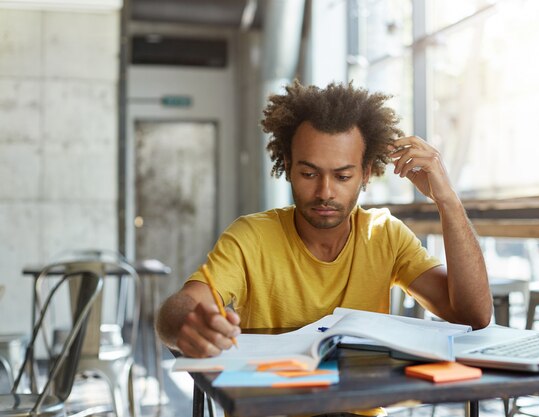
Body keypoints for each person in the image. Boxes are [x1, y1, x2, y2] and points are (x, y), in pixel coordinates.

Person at [156, 80, 492, 361]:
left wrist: (447, 201)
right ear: (286, 166)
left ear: (366, 174)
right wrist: (187, 323)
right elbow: (183, 307)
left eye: (343, 176)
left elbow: (472, 317)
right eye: (308, 173)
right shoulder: (251, 238)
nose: (324, 192)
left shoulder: (384, 236)